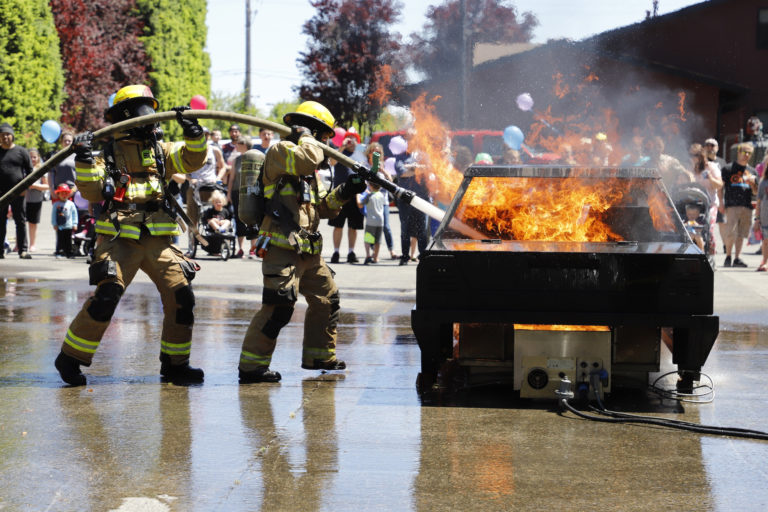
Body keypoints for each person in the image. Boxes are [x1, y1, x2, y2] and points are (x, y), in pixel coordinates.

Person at [53, 84, 208, 387]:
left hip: (157, 242)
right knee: (107, 296)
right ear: (125, 117)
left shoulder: (161, 152)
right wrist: (84, 159)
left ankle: (176, 365)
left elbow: (193, 160)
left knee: (182, 297)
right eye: (144, 110)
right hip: (119, 240)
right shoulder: (107, 154)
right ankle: (69, 358)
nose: (151, 119)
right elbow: (93, 191)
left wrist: (193, 133)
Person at [237, 101, 366, 383]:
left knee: (327, 298)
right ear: (312, 131)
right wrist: (308, 137)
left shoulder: (310, 171)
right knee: (279, 307)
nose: (325, 143)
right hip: (282, 248)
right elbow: (307, 158)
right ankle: (252, 367)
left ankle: (319, 355)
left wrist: (347, 190)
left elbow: (323, 207)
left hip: (308, 251)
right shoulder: (281, 152)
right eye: (324, 136)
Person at [185, 128, 225, 255]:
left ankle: (215, 246)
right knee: (192, 220)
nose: (205, 137)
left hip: (211, 188)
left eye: (207, 135)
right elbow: (183, 169)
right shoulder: (189, 151)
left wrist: (218, 179)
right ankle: (191, 247)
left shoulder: (214, 150)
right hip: (194, 188)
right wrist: (190, 179)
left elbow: (222, 166)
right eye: (202, 135)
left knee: (214, 215)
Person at [719, 143, 758, 267]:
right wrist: (720, 202)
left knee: (741, 233)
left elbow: (756, 192)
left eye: (749, 153)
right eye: (744, 151)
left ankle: (737, 258)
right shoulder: (728, 168)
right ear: (738, 152)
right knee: (731, 232)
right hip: (732, 204)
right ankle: (728, 257)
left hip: (746, 205)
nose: (746, 155)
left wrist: (752, 184)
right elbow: (721, 187)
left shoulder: (752, 171)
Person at [328, 135, 364, 263]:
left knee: (353, 227)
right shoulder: (340, 153)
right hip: (340, 194)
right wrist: (342, 147)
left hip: (355, 195)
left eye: (353, 138)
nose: (351, 141)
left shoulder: (360, 154)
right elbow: (332, 162)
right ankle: (336, 252)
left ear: (357, 140)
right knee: (338, 225)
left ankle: (351, 252)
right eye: (348, 138)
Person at [0, 122, 33, 259]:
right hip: (1, 193)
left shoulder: (21, 151)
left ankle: (23, 250)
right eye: (2, 135)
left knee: (20, 221)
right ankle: (0, 251)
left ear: (12, 136)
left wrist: (25, 188)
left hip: (18, 192)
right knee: (0, 222)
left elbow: (30, 171)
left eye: (7, 134)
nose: (5, 137)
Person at [364, 142, 398, 259]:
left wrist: (382, 170)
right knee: (371, 226)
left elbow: (391, 181)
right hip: (370, 201)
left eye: (378, 153)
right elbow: (364, 184)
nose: (376, 154)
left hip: (383, 201)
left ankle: (391, 250)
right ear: (369, 153)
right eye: (374, 152)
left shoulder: (383, 165)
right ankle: (372, 252)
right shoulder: (366, 166)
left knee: (386, 226)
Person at [689, 143, 723, 257]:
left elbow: (719, 184)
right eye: (691, 155)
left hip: (710, 203)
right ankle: (698, 254)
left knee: (709, 229)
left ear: (701, 156)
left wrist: (711, 178)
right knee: (693, 229)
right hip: (695, 204)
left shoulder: (711, 167)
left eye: (695, 155)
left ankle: (711, 255)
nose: (693, 158)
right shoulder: (690, 167)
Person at [226, 135, 254, 257]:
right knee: (239, 219)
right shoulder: (236, 160)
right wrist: (228, 194)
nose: (236, 146)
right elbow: (231, 178)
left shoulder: (255, 158)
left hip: (251, 192)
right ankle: (240, 248)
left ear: (244, 145)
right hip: (237, 192)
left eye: (238, 144)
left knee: (253, 219)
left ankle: (253, 247)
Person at [25, 148, 48, 252]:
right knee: (20, 223)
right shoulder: (23, 168)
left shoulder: (41, 169)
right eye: (30, 157)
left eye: (34, 157)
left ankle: (32, 244)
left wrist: (34, 186)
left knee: (32, 223)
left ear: (38, 157)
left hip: (36, 200)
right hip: (23, 199)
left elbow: (46, 186)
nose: (32, 159)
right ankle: (19, 244)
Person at [358, 180, 386, 264]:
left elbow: (360, 204)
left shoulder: (369, 196)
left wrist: (357, 196)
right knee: (378, 241)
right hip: (380, 221)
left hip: (371, 221)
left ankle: (368, 255)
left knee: (368, 239)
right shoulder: (381, 195)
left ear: (370, 186)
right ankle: (375, 257)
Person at [51, 183, 78, 258]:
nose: (64, 195)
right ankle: (59, 252)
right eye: (62, 193)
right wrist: (54, 224)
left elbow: (74, 214)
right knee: (60, 239)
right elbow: (53, 215)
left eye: (66, 193)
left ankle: (69, 252)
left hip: (69, 226)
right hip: (60, 226)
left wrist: (75, 224)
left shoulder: (71, 204)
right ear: (58, 194)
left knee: (68, 240)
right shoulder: (56, 204)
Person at [755, 161, 768, 271]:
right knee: (765, 241)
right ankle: (764, 260)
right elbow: (758, 201)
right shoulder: (763, 182)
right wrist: (757, 219)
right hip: (765, 216)